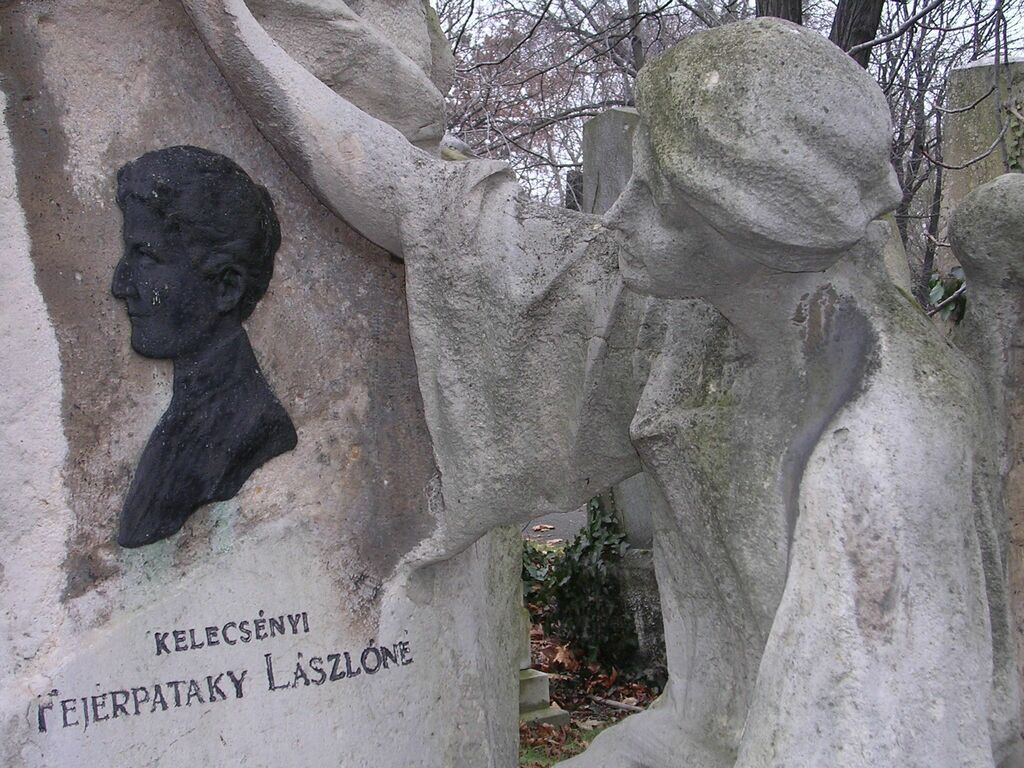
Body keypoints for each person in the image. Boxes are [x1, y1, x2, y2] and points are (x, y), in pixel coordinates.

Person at [177, 3, 1021, 765]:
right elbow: (424, 205)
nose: (620, 218)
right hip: (693, 738)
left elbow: (870, 736)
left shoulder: (879, 449)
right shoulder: (699, 317)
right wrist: (229, 26)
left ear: (756, 227)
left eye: (660, 200)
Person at [112, 145, 297, 548]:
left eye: (145, 256)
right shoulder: (193, 411)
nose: (121, 285)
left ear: (226, 287)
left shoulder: (248, 426)